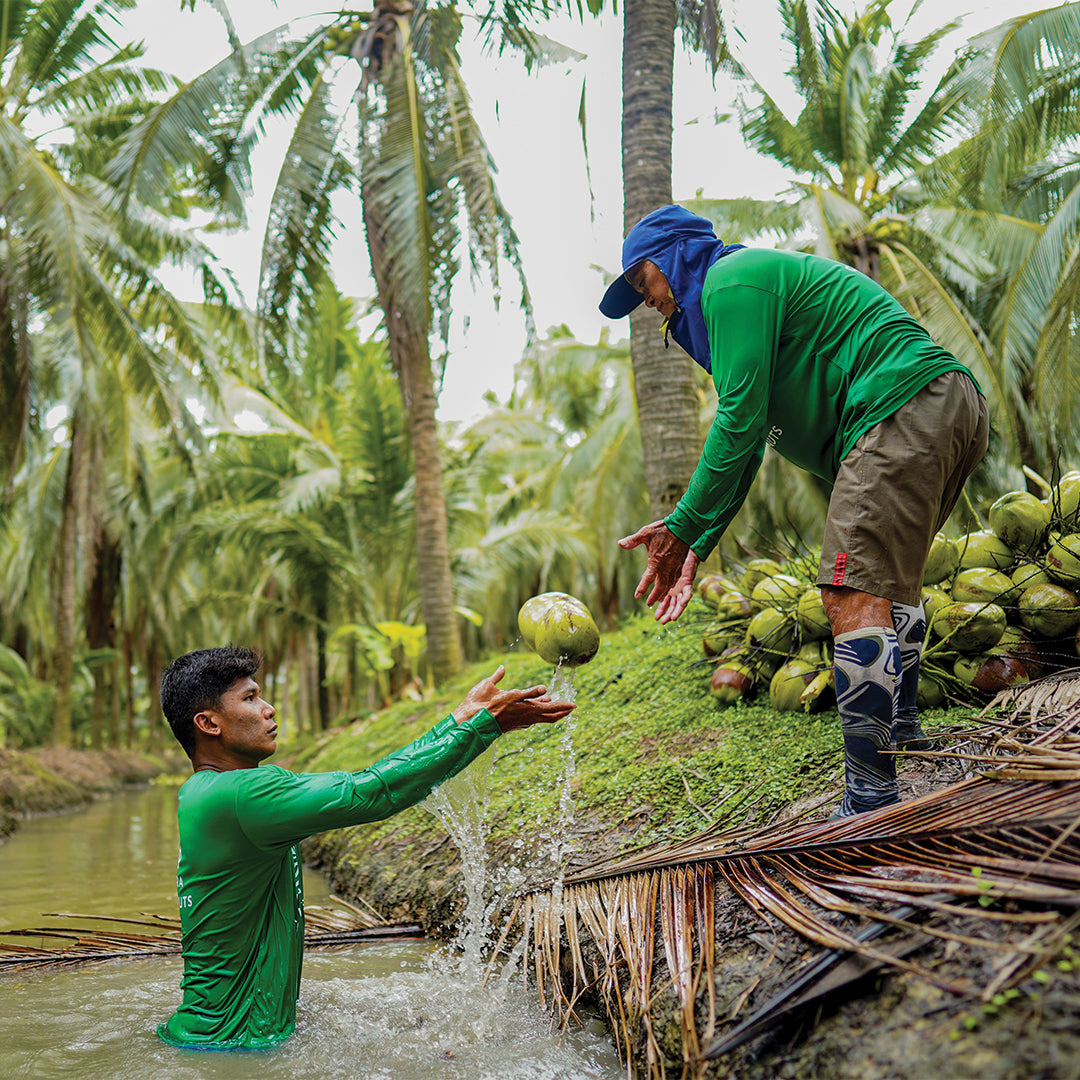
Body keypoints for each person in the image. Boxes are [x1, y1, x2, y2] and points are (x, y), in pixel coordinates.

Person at [601, 204, 988, 819]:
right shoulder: (739, 298)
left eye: (641, 279)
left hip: (898, 403)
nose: (643, 299)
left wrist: (678, 526)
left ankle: (870, 799)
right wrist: (697, 541)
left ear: (674, 254)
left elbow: (737, 422)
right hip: (946, 404)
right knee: (887, 587)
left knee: (849, 591)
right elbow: (749, 441)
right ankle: (905, 732)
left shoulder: (731, 283)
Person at [157, 645, 574, 1049]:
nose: (268, 708)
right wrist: (483, 725)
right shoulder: (244, 796)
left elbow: (372, 782)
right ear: (209, 724)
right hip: (231, 1045)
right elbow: (372, 791)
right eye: (250, 698)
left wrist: (460, 719)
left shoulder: (207, 792)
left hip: (210, 1037)